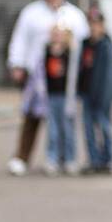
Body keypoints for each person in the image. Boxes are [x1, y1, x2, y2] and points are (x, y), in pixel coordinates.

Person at [6, 0, 88, 175]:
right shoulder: (31, 13)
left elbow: (84, 43)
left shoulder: (74, 15)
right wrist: (17, 64)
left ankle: (64, 158)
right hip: (38, 77)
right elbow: (20, 39)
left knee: (63, 122)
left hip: (65, 80)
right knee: (31, 117)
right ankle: (21, 158)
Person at [78, 8, 112, 174]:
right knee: (88, 129)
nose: (94, 28)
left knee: (104, 128)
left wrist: (104, 97)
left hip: (103, 96)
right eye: (91, 24)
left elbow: (108, 76)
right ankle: (93, 160)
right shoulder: (85, 44)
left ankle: (107, 160)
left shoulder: (106, 45)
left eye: (97, 24)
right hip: (87, 94)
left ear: (102, 25)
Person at [42, 24, 78, 175]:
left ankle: (69, 159)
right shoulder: (46, 52)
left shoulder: (71, 53)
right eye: (54, 34)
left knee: (68, 129)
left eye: (60, 34)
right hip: (51, 96)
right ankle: (52, 158)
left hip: (66, 96)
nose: (57, 37)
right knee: (53, 130)